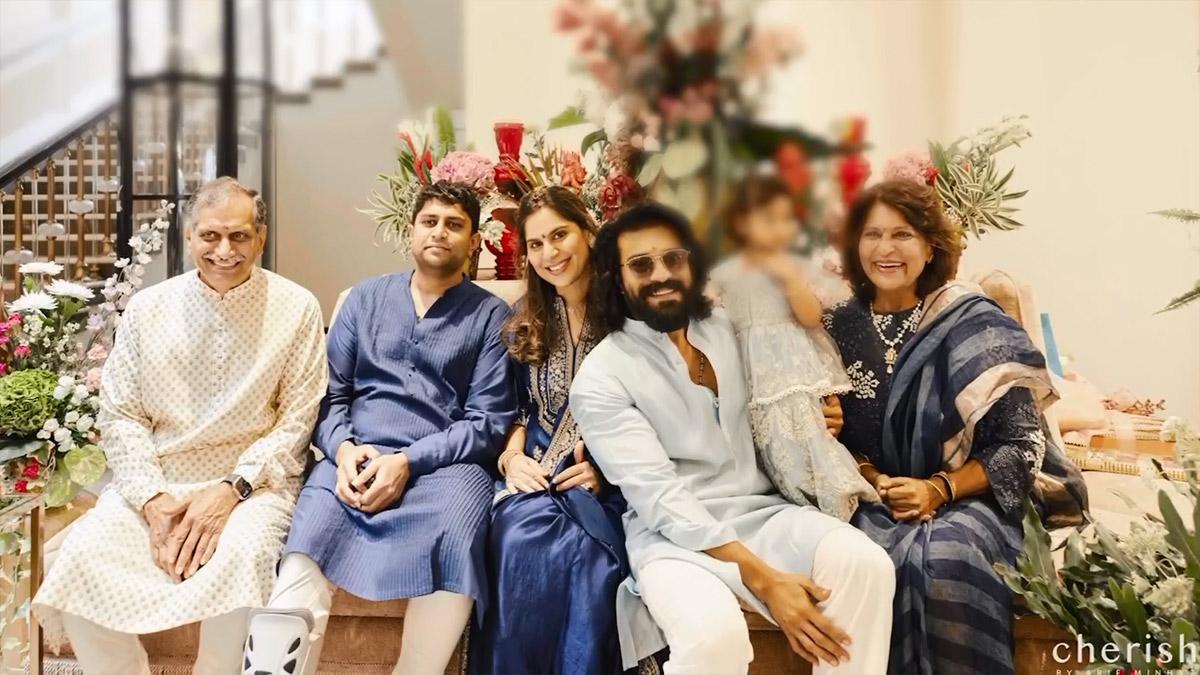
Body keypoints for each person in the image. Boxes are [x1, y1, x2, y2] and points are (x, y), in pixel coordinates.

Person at [569, 202, 895, 675]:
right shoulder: (601, 377)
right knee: (713, 637)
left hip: (764, 513)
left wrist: (820, 412)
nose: (661, 275)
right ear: (618, 280)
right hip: (674, 542)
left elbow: (785, 384)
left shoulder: (729, 329)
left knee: (867, 565)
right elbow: (661, 501)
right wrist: (765, 580)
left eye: (673, 258)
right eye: (641, 265)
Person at [32, 177, 328, 675]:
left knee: (244, 558)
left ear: (260, 237)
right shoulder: (148, 307)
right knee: (82, 557)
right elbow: (121, 414)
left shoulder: (297, 306)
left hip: (252, 486)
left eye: (239, 236)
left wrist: (230, 490)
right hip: (159, 480)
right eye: (210, 236)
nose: (224, 250)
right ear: (189, 237)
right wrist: (152, 499)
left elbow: (298, 420)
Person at [248, 181, 518, 675]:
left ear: (475, 241)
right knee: (309, 537)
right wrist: (342, 449)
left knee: (458, 532)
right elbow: (328, 395)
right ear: (411, 231)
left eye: (455, 225)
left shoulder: (490, 316)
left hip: (447, 468)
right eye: (430, 221)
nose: (440, 232)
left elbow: (487, 422)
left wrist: (408, 461)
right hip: (356, 456)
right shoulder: (364, 298)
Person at [823, 179, 1089, 674]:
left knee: (945, 560)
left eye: (902, 234)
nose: (885, 249)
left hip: (969, 496)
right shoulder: (835, 325)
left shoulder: (973, 321)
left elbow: (1021, 445)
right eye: (872, 234)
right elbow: (824, 437)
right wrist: (873, 477)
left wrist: (938, 489)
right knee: (867, 562)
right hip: (873, 497)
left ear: (930, 247)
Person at [470, 185, 632, 674]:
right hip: (534, 474)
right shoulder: (525, 319)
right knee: (516, 540)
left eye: (559, 235)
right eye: (536, 244)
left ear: (588, 232)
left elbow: (659, 410)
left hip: (612, 482)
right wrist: (511, 459)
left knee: (591, 559)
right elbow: (515, 409)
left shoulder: (630, 313)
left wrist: (605, 472)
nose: (550, 253)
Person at [709, 175, 876, 521]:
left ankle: (834, 493)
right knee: (767, 435)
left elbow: (811, 317)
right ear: (741, 223)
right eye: (769, 219)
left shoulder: (790, 265)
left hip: (791, 367)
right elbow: (709, 310)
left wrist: (789, 280)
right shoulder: (726, 269)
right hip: (750, 370)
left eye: (786, 219)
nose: (780, 229)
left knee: (808, 429)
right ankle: (786, 494)